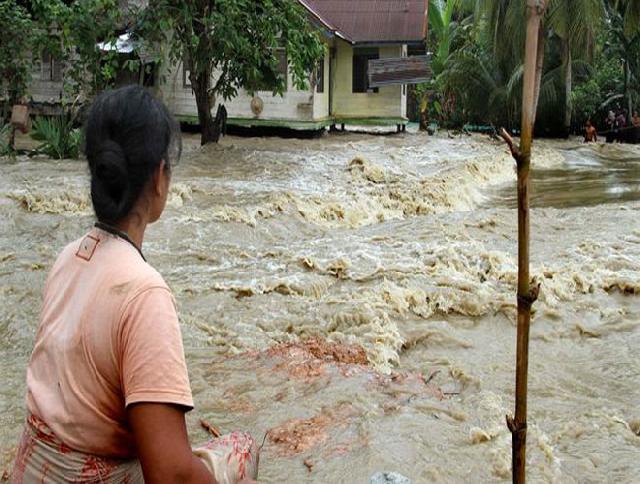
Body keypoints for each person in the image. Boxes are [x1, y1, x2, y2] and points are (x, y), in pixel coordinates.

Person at [11, 86, 258, 483]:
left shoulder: (69, 257)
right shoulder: (143, 294)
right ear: (160, 178)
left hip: (32, 471)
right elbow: (170, 476)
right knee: (242, 448)